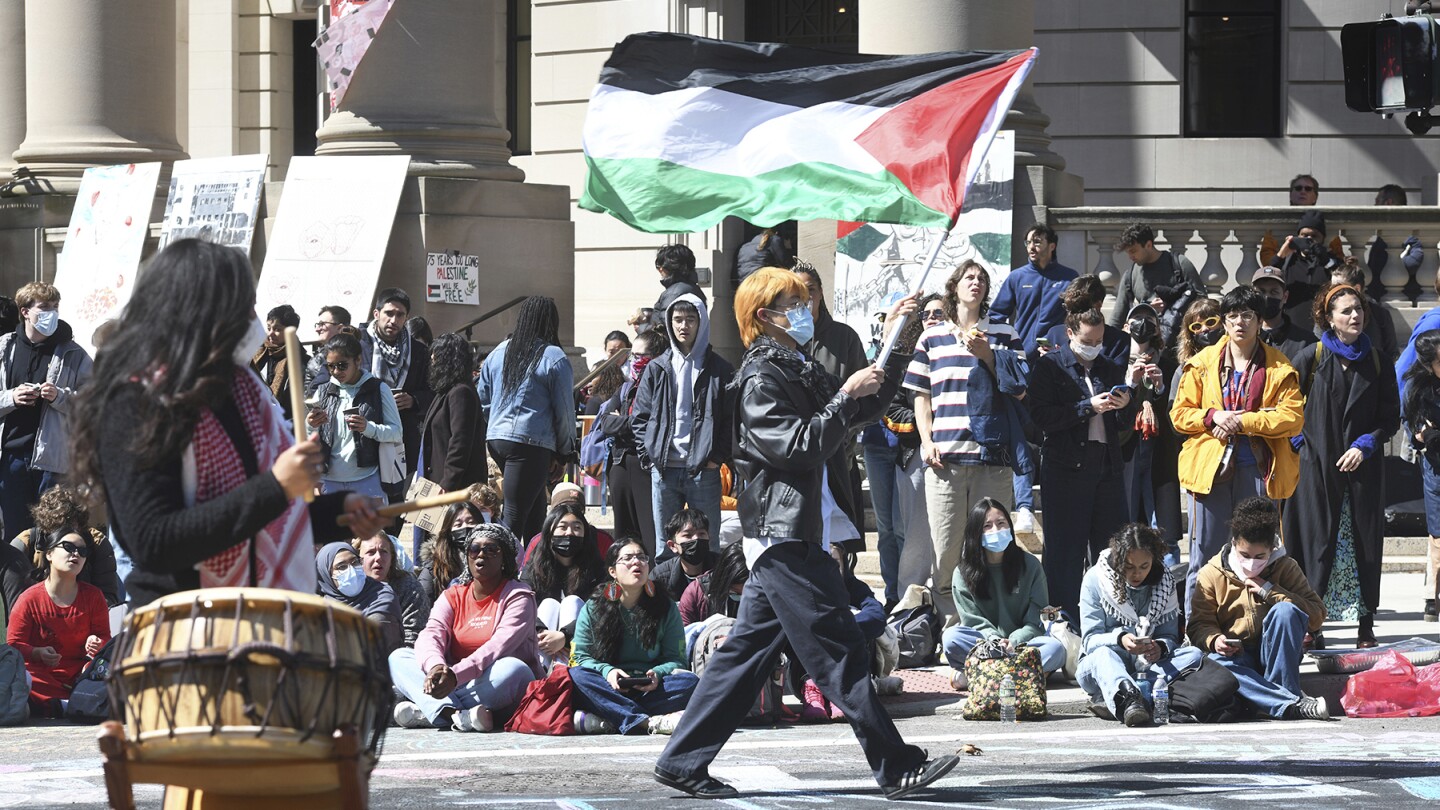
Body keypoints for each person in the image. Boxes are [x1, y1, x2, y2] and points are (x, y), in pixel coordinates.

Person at [654, 268, 957, 801]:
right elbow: (796, 445)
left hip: (796, 531)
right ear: (764, 317)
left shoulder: (794, 364)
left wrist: (899, 337)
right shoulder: (759, 377)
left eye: (806, 300)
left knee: (744, 656)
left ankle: (681, 760)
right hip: (782, 534)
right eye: (793, 303)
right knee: (838, 651)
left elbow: (865, 403)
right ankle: (895, 764)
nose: (805, 310)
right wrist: (843, 396)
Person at [68, 239, 384, 605]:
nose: (255, 319)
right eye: (244, 306)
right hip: (187, 626)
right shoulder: (138, 400)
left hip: (266, 615)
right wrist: (277, 486)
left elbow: (264, 521)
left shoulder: (243, 392)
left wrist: (339, 511)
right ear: (200, 312)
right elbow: (154, 541)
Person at [904, 259, 1025, 620]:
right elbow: (921, 396)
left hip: (993, 459)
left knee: (996, 548)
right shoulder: (932, 336)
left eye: (982, 278)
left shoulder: (1004, 332)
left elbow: (1019, 388)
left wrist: (989, 356)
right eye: (969, 277)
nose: (976, 282)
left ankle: (993, 622)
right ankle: (952, 627)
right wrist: (926, 441)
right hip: (945, 462)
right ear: (954, 286)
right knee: (946, 551)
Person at [1170, 285, 1304, 611]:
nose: (1239, 322)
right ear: (1225, 323)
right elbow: (1180, 415)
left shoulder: (1278, 366)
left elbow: (1292, 418)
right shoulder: (1201, 363)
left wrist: (1244, 421)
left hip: (1260, 467)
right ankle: (1197, 629)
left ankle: (1258, 622)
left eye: (1247, 315)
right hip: (1211, 469)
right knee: (1206, 550)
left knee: (1260, 550)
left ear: (1259, 321)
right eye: (1232, 316)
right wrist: (1213, 416)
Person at [1283, 284, 1398, 649]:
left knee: (1363, 546)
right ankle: (1313, 627)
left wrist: (1366, 444)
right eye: (1346, 311)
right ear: (1327, 318)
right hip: (1317, 470)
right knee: (1315, 546)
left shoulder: (1377, 360)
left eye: (1358, 310)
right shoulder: (1310, 357)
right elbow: (1285, 410)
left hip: (1362, 472)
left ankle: (1365, 625)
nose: (1355, 316)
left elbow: (1389, 417)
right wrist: (1300, 444)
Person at [1028, 306, 1142, 622]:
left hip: (1107, 466)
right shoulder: (1050, 366)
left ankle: (1113, 619)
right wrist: (1086, 407)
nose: (1093, 345)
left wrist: (1125, 402)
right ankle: (1061, 625)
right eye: (1087, 339)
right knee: (1064, 554)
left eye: (1099, 339)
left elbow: (1122, 423)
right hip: (1065, 468)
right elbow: (1039, 418)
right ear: (1069, 334)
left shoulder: (1108, 367)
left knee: (1112, 550)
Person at [390, 523, 542, 731]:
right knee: (398, 657)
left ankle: (431, 710)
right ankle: (453, 714)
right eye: (475, 549)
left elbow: (497, 648)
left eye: (491, 550)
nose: (481, 555)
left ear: (504, 559)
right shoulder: (453, 594)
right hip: (455, 681)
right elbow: (431, 633)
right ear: (467, 557)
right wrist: (435, 667)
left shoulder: (519, 596)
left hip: (492, 682)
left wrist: (455, 676)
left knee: (515, 669)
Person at [1189, 497, 1330, 720]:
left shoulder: (1286, 567)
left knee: (1286, 611)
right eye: (1245, 555)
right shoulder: (1211, 574)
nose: (1251, 563)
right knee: (1211, 662)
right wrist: (1215, 640)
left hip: (1277, 657)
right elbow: (1198, 625)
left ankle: (1276, 699)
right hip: (1238, 659)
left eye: (1260, 557)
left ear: (1271, 549)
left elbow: (1316, 616)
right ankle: (1288, 703)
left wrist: (1270, 591)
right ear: (1234, 543)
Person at [632, 293, 733, 554]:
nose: (683, 326)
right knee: (665, 547)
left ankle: (707, 594)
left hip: (703, 470)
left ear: (702, 323)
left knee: (706, 544)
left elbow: (730, 420)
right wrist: (650, 456)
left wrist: (716, 458)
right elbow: (640, 417)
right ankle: (669, 594)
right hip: (664, 469)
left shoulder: (720, 369)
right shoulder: (658, 367)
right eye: (677, 319)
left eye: (690, 319)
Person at [1076, 524, 1201, 727]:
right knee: (1104, 656)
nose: (1136, 574)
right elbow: (1090, 640)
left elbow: (1170, 637)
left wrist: (1158, 647)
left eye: (1144, 567)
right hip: (1100, 667)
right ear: (1118, 561)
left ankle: (1121, 696)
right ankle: (1129, 698)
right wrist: (1120, 639)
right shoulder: (1095, 579)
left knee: (1193, 654)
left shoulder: (1164, 582)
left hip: (1147, 668)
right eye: (1129, 567)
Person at [570, 539, 695, 735]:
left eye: (642, 558)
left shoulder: (666, 606)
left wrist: (658, 673)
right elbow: (579, 657)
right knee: (577, 677)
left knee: (690, 684)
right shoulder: (594, 606)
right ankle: (645, 722)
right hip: (608, 686)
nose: (636, 562)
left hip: (649, 689)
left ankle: (612, 717)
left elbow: (676, 659)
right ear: (613, 571)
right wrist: (608, 671)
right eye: (627, 558)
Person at [863, 294, 940, 610]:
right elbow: (886, 406)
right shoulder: (879, 353)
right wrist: (926, 426)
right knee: (886, 529)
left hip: (910, 454)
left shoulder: (932, 351)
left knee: (903, 529)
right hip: (880, 447)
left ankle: (909, 596)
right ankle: (893, 594)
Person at [477, 296, 575, 541]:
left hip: (497, 438)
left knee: (534, 510)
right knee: (515, 515)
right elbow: (564, 410)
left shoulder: (498, 352)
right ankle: (501, 570)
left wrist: (494, 428)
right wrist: (564, 452)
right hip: (530, 441)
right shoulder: (553, 356)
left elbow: (483, 400)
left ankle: (534, 568)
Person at [0, 281, 92, 542]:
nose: (51, 313)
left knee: (55, 534)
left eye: (55, 307)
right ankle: (20, 584)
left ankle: (53, 582)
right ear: (25, 311)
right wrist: (11, 397)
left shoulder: (73, 353)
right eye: (44, 307)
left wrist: (60, 397)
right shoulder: (4, 348)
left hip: (53, 458)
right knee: (17, 535)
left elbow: (94, 403)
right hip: (10, 458)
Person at [940, 497, 1065, 683]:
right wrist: (996, 642)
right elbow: (973, 621)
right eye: (987, 526)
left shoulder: (1030, 565)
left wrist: (1013, 641)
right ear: (975, 533)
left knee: (1055, 649)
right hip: (986, 643)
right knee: (951, 638)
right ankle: (1022, 676)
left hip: (1022, 643)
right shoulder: (963, 573)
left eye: (1001, 523)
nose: (996, 531)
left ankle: (982, 675)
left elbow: (1037, 618)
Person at [793, 260, 871, 551]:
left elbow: (865, 402)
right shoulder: (782, 339)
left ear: (821, 292)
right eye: (798, 291)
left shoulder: (844, 337)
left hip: (840, 460)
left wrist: (845, 438)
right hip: (799, 463)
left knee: (839, 550)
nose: (806, 298)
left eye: (811, 290)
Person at [5, 528, 109, 718]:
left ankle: (59, 705)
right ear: (50, 554)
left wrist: (98, 642)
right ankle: (71, 704)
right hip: (41, 675)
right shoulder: (29, 598)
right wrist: (37, 652)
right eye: (68, 547)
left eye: (82, 551)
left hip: (80, 673)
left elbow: (105, 639)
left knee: (103, 670)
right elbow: (14, 645)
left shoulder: (94, 596)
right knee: (24, 676)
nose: (76, 554)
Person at [305, 333, 404, 502]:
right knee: (331, 529)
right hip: (329, 482)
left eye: (342, 365)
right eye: (331, 366)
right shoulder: (323, 391)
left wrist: (368, 428)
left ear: (358, 361)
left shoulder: (378, 389)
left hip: (368, 479)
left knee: (374, 530)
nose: (336, 372)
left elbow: (396, 433)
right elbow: (310, 439)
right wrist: (310, 425)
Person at [597, 329, 669, 556]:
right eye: (633, 355)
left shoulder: (665, 385)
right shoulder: (626, 387)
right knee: (623, 536)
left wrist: (626, 421)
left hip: (646, 465)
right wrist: (634, 422)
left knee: (650, 534)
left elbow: (656, 423)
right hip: (619, 463)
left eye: (641, 356)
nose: (635, 361)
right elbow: (605, 423)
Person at [1117, 304, 1178, 562]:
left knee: (1162, 522)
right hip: (1127, 447)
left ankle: (1169, 573)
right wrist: (1131, 382)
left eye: (1148, 319)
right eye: (1137, 318)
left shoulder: (1167, 362)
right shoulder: (1116, 359)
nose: (1142, 324)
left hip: (1157, 450)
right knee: (1127, 517)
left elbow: (1175, 410)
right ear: (1126, 326)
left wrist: (1161, 387)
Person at [359, 288, 433, 482]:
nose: (393, 320)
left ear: (406, 318)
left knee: (397, 499)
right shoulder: (358, 344)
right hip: (363, 434)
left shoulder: (419, 351)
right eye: (388, 313)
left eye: (399, 315)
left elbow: (433, 391)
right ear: (376, 314)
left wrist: (414, 400)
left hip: (402, 438)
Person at [522, 503, 607, 665]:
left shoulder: (596, 567)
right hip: (541, 638)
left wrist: (564, 636)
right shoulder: (535, 565)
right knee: (549, 604)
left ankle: (564, 672)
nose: (569, 533)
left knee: (572, 601)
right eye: (562, 527)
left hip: (582, 638)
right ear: (550, 532)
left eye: (577, 528)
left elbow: (601, 609)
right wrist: (542, 632)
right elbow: (522, 602)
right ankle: (541, 671)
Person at [10, 485, 122, 607]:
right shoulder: (25, 543)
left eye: (72, 527)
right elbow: (13, 602)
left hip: (84, 616)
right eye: (60, 529)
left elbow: (109, 597)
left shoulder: (97, 543)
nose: (67, 536)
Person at [989, 222, 1078, 360]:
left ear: (1052, 246)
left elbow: (1079, 317)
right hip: (1021, 352)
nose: (1031, 247)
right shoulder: (1017, 277)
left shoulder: (1069, 278)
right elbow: (997, 314)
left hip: (1056, 354)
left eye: (1037, 242)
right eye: (1028, 242)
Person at [1403, 330, 1440, 622]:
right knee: (1438, 532)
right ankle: (1433, 595)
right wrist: (1421, 435)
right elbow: (1410, 424)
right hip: (1435, 463)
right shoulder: (1417, 388)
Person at [421, 333, 487, 493]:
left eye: (435, 357)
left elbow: (460, 441)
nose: (432, 361)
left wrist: (448, 482)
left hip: (456, 486)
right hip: (441, 481)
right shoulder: (446, 391)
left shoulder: (460, 393)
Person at [1109, 223, 1204, 332]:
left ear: (1148, 245)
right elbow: (1117, 317)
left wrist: (1172, 306)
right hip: (1146, 341)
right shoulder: (1130, 275)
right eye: (1128, 253)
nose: (1130, 257)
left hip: (1179, 338)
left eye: (1133, 251)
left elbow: (1202, 301)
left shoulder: (1179, 263)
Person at [316, 541, 401, 654]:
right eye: (341, 567)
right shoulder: (320, 607)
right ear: (326, 575)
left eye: (355, 562)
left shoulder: (382, 596)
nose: (351, 570)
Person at [353, 530, 430, 647]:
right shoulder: (350, 588)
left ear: (392, 559)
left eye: (384, 552)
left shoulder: (409, 588)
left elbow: (414, 635)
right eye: (371, 552)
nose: (378, 558)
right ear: (359, 559)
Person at [1267, 210, 1341, 332]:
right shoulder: (1288, 262)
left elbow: (1343, 279)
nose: (1308, 240)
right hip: (1291, 329)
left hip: (1321, 330)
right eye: (1304, 235)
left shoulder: (1329, 261)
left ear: (1322, 238)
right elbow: (1268, 275)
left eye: (1314, 236)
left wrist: (1326, 260)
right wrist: (1282, 253)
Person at [1041, 276, 1130, 368]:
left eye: (1081, 309)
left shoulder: (1118, 340)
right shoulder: (1055, 334)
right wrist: (1050, 360)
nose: (1074, 314)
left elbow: (1116, 377)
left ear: (1098, 305)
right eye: (1069, 308)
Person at [1328, 258, 1400, 366]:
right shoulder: (1328, 313)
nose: (1333, 292)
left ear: (1357, 288)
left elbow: (1392, 353)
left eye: (1339, 288)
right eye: (1331, 287)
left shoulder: (1379, 314)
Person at [419, 501, 487, 603]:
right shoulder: (434, 569)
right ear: (449, 532)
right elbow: (423, 603)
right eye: (458, 524)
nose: (465, 527)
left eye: (471, 522)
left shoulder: (492, 561)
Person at [249, 304, 306, 420]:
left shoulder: (301, 362)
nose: (270, 333)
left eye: (277, 329)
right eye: (269, 328)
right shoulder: (256, 355)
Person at [1252, 265, 1317, 362]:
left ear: (1285, 297)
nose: (1266, 297)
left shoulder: (1306, 341)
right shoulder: (1243, 336)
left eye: (1274, 292)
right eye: (1261, 292)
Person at [650, 508, 715, 602]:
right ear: (672, 546)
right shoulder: (660, 577)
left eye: (701, 534)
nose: (696, 539)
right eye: (688, 535)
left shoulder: (723, 569)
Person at [678, 540, 748, 626]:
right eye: (734, 592)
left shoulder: (765, 594)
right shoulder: (696, 592)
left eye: (747, 593)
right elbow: (681, 634)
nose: (741, 598)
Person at [652, 244, 708, 330]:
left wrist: (642, 327)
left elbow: (665, 328)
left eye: (660, 267)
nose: (660, 271)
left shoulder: (674, 293)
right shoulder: (693, 288)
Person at [305, 304, 352, 394]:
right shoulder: (315, 361)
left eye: (322, 324)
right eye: (317, 325)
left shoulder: (358, 354)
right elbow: (307, 396)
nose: (317, 329)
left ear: (340, 328)